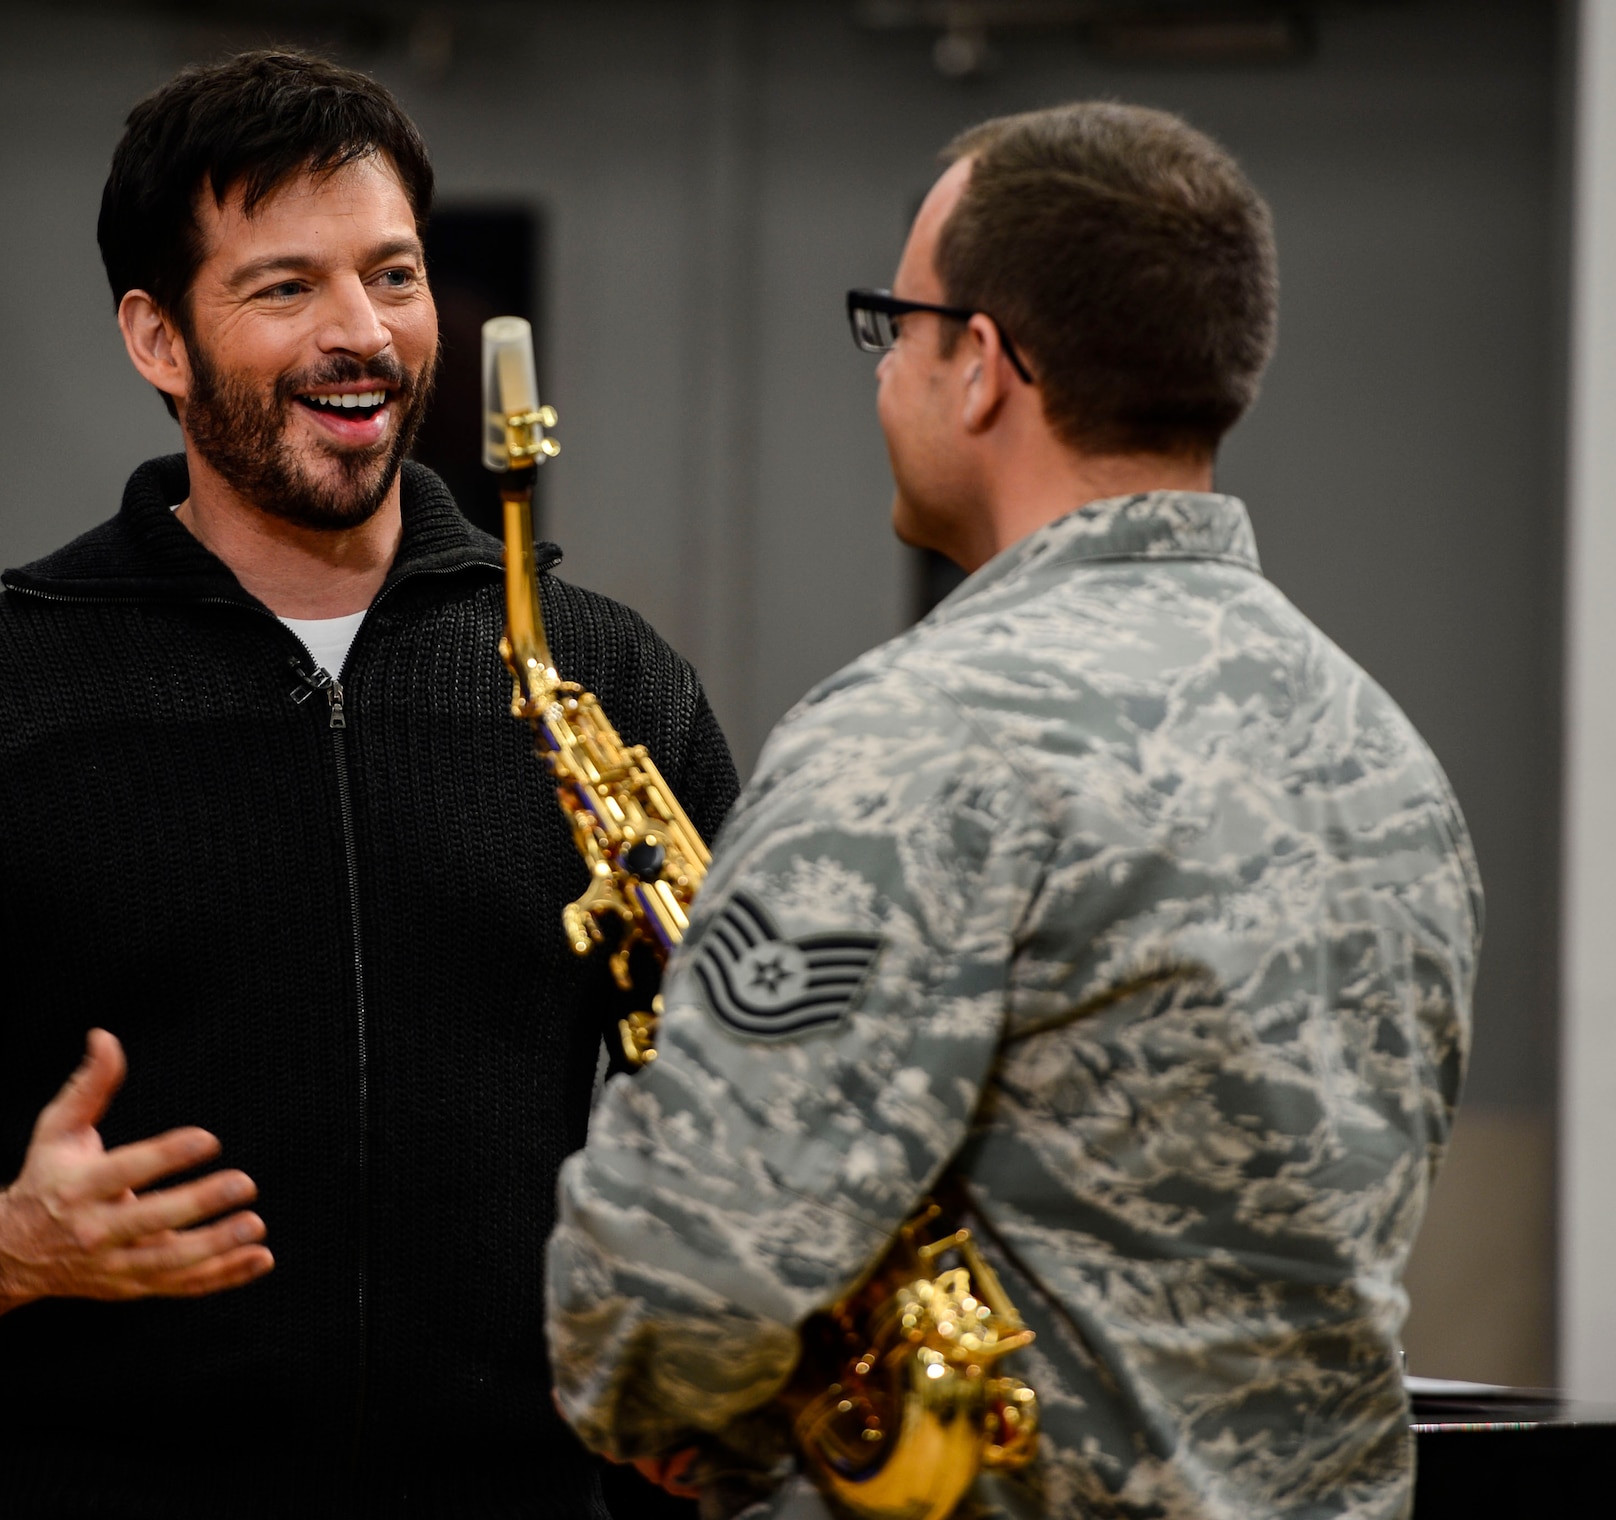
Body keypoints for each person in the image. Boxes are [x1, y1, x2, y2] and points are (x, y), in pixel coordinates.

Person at [0, 49, 738, 1519]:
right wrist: (12, 1242)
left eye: (393, 277)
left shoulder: (613, 681)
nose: (365, 337)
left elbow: (745, 1110)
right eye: (286, 289)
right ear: (159, 338)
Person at [546, 102, 1482, 1520]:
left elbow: (662, 1307)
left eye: (895, 324)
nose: (885, 373)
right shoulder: (1383, 754)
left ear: (979, 366)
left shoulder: (909, 746)